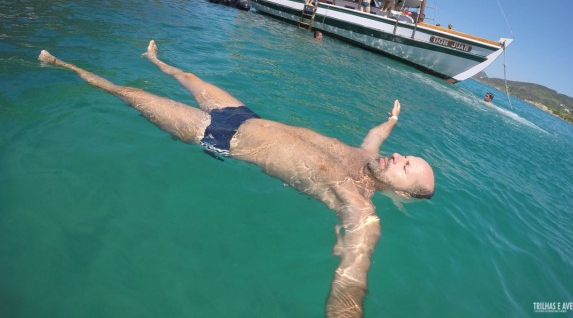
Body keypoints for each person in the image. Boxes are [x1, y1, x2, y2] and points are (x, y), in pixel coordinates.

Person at [38, 41, 435, 318]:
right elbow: (378, 136)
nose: (398, 157)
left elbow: (353, 275)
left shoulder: (360, 207)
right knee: (189, 76)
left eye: (404, 166)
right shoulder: (368, 156)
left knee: (125, 92)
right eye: (405, 156)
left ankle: (59, 64)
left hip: (219, 137)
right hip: (247, 116)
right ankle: (154, 58)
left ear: (403, 194)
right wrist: (393, 119)